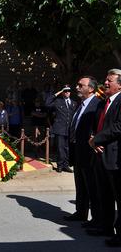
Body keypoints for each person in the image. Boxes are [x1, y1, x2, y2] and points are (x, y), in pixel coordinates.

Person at [89, 69, 121, 247]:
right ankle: (105, 226)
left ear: (120, 85)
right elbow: (99, 125)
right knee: (105, 195)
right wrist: (93, 138)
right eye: (105, 80)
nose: (106, 83)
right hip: (101, 154)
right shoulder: (105, 102)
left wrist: (97, 139)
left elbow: (118, 126)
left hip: (115, 157)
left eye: (110, 81)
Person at [65, 76, 101, 226]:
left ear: (91, 88)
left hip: (89, 153)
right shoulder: (80, 105)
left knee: (92, 186)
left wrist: (96, 140)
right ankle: (81, 212)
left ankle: (97, 219)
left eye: (81, 85)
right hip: (77, 151)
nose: (77, 87)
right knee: (80, 184)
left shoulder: (97, 104)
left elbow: (99, 126)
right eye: (77, 84)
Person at [45, 84, 76, 173]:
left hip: (70, 129)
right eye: (65, 91)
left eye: (68, 91)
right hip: (60, 129)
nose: (67, 93)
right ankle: (60, 165)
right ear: (62, 92)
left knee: (68, 148)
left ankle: (66, 165)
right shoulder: (58, 101)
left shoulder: (74, 103)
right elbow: (47, 103)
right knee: (60, 148)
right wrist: (57, 93)